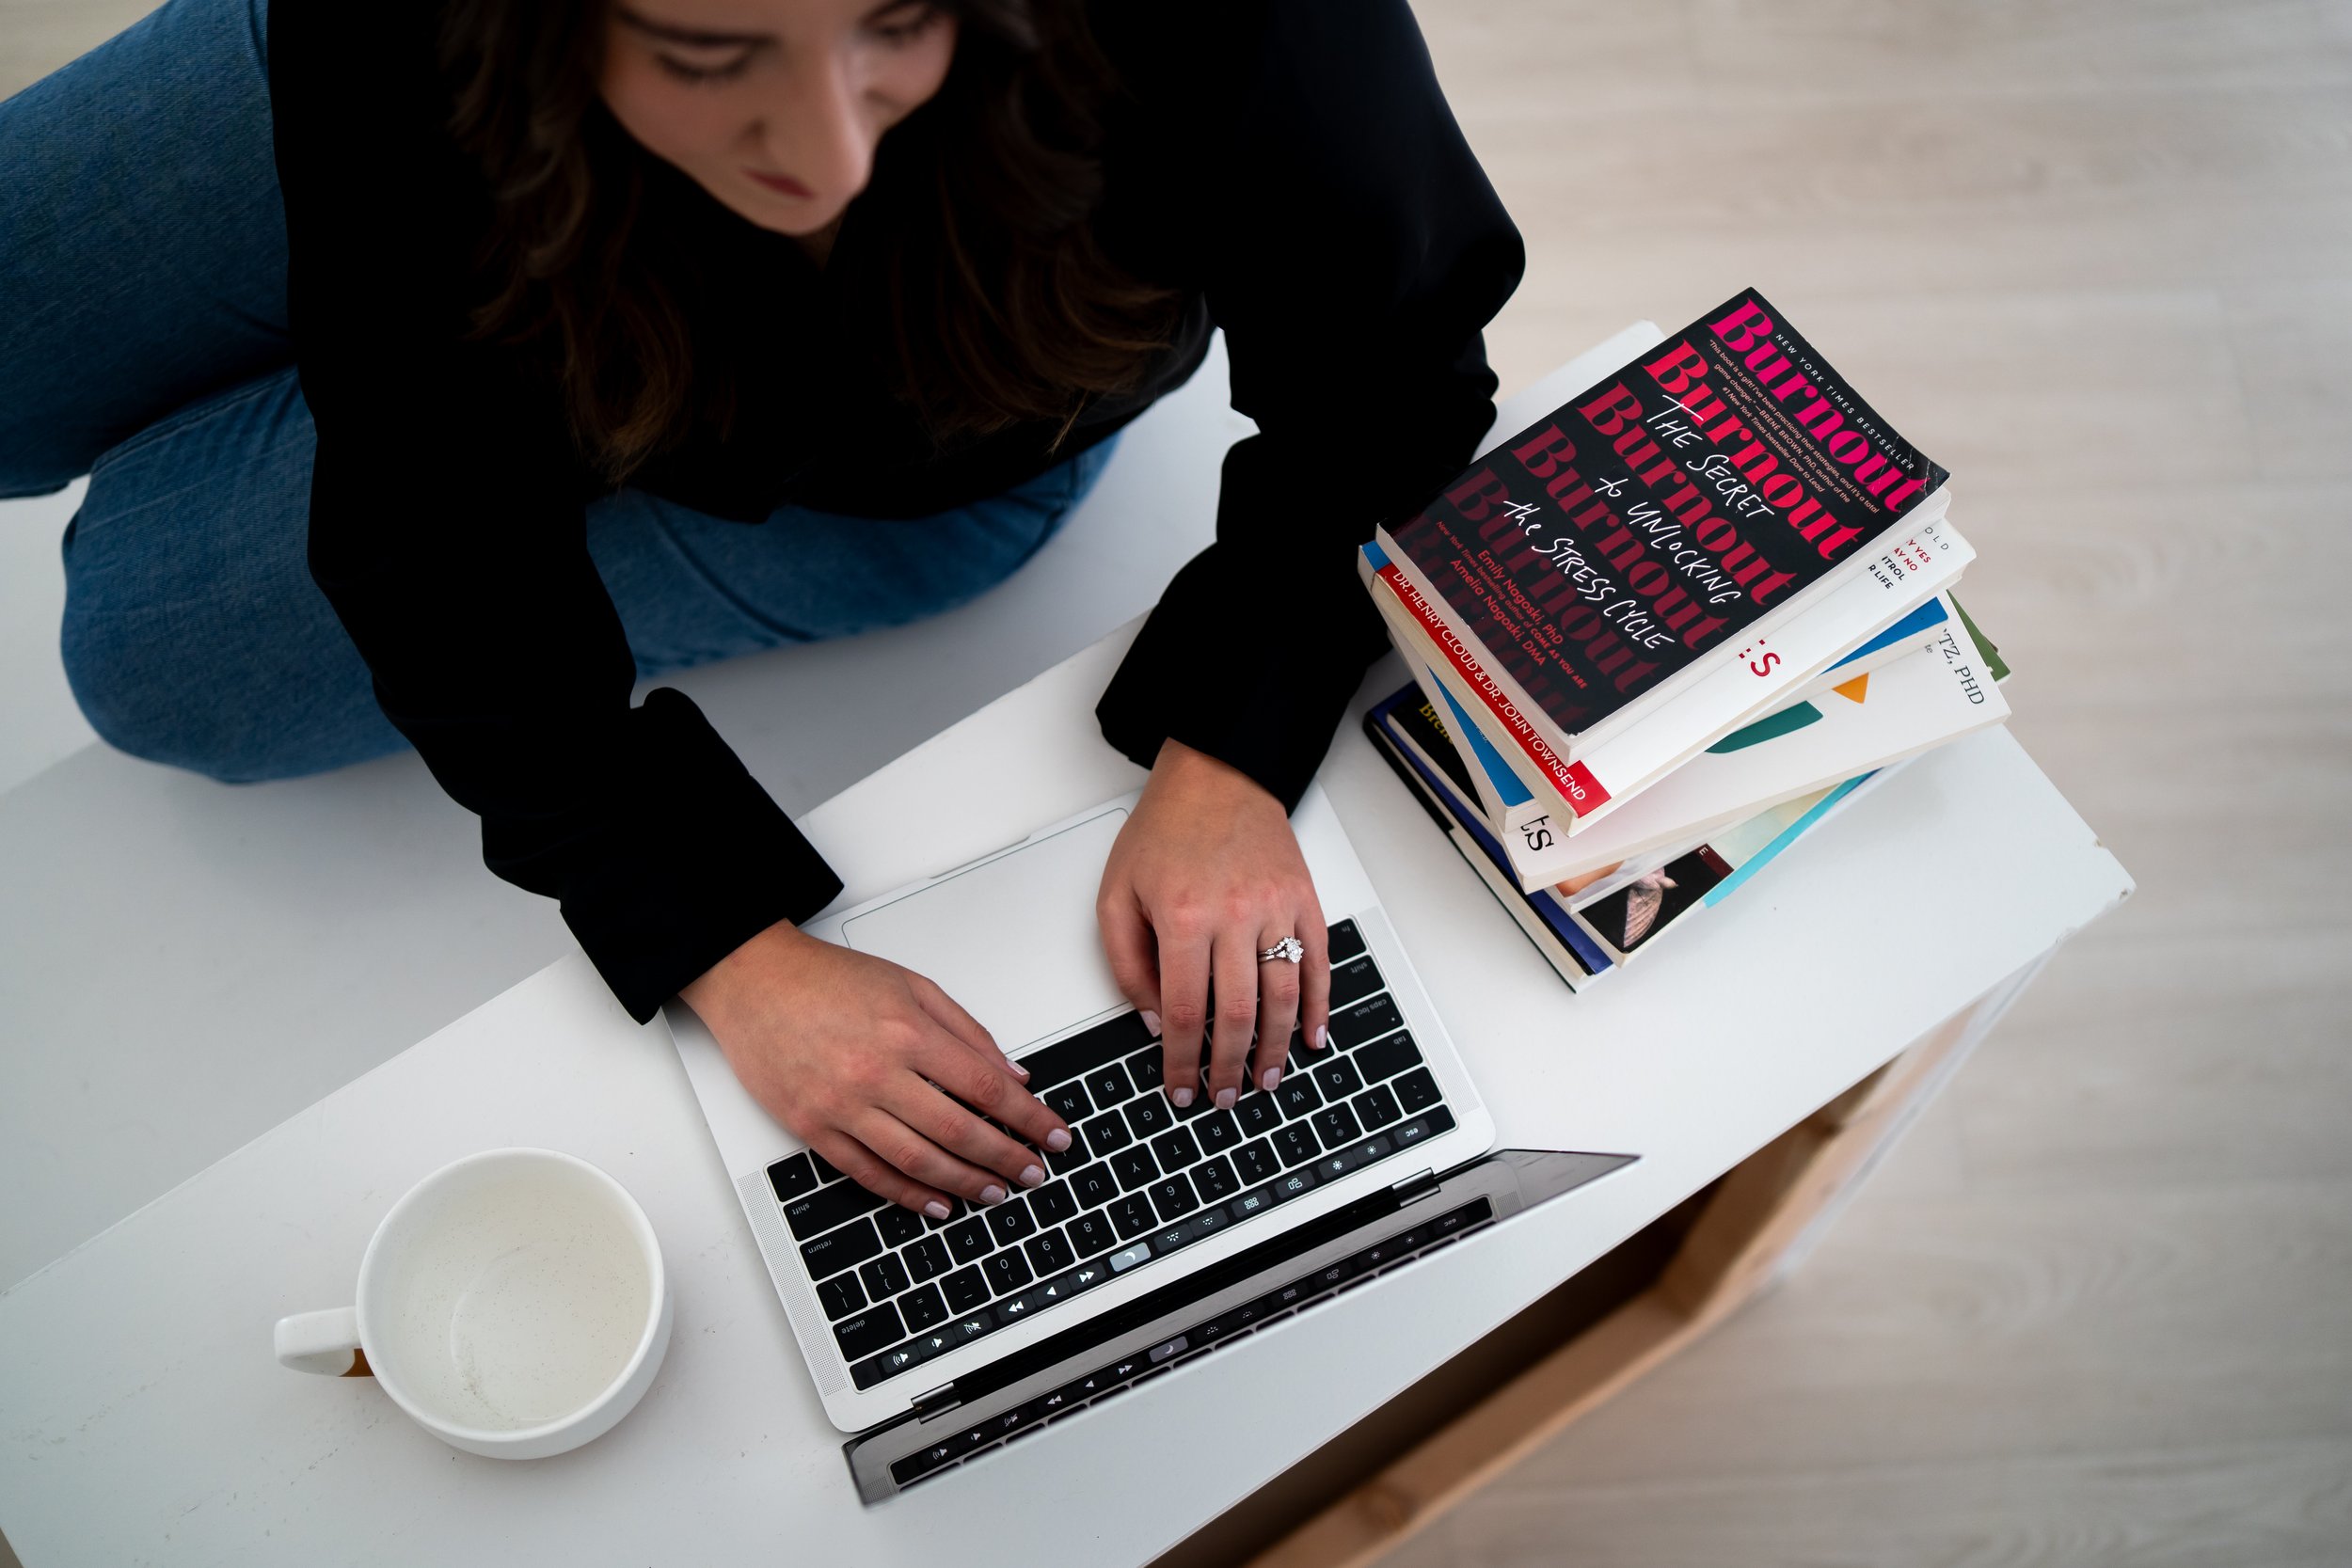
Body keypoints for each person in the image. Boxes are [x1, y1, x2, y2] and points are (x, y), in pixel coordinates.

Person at [0, 0, 1521, 1221]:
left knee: (142, 642)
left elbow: (1397, 377)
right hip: (450, 110)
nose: (832, 155)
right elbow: (417, 500)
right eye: (711, 55)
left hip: (902, 454)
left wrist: (1235, 744)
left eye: (897, 21)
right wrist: (727, 943)